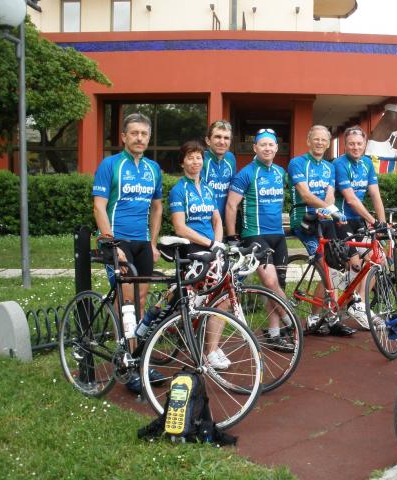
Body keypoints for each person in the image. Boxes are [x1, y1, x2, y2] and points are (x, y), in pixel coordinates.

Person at [91, 112, 164, 393]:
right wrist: (112, 244)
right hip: (117, 241)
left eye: (144, 134)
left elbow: (157, 207)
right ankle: (128, 364)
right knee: (128, 303)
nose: (139, 138)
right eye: (134, 133)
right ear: (124, 136)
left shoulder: (153, 168)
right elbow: (99, 206)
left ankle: (137, 357)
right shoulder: (110, 165)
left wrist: (153, 243)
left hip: (142, 243)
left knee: (141, 301)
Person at [225, 128, 294, 352]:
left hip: (278, 236)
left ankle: (274, 333)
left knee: (277, 286)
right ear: (255, 148)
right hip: (254, 234)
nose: (267, 148)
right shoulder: (246, 173)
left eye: (271, 145)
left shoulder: (280, 173)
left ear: (276, 148)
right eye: (262, 144)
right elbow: (231, 205)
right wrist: (231, 237)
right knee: (270, 282)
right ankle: (291, 322)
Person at [288, 125, 354, 336]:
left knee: (336, 263)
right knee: (324, 264)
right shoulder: (297, 163)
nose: (319, 143)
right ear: (308, 141)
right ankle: (316, 317)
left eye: (324, 140)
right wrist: (329, 210)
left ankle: (331, 316)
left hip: (325, 219)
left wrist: (328, 209)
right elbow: (306, 195)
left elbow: (330, 194)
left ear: (328, 144)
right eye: (316, 139)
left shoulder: (329, 167)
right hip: (305, 220)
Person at [169, 140, 229, 369]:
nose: (195, 161)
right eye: (190, 157)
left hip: (211, 248)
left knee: (223, 296)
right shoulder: (179, 190)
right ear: (182, 162)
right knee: (199, 298)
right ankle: (198, 340)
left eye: (199, 157)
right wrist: (210, 243)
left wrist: (218, 244)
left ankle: (212, 348)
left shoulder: (207, 189)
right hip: (192, 249)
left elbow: (217, 220)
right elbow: (180, 227)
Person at [333, 125, 387, 329]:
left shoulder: (367, 163)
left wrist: (381, 224)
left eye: (359, 143)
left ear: (365, 144)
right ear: (345, 145)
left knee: (377, 258)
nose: (355, 147)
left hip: (359, 220)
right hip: (341, 219)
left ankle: (360, 305)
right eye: (351, 144)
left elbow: (375, 194)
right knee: (355, 265)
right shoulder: (339, 164)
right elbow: (351, 199)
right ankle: (341, 304)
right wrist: (373, 220)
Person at [202, 120, 236, 226]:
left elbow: (233, 192)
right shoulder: (201, 160)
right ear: (208, 140)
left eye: (226, 138)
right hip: (205, 223)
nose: (222, 142)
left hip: (225, 222)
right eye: (217, 137)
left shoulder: (231, 158)